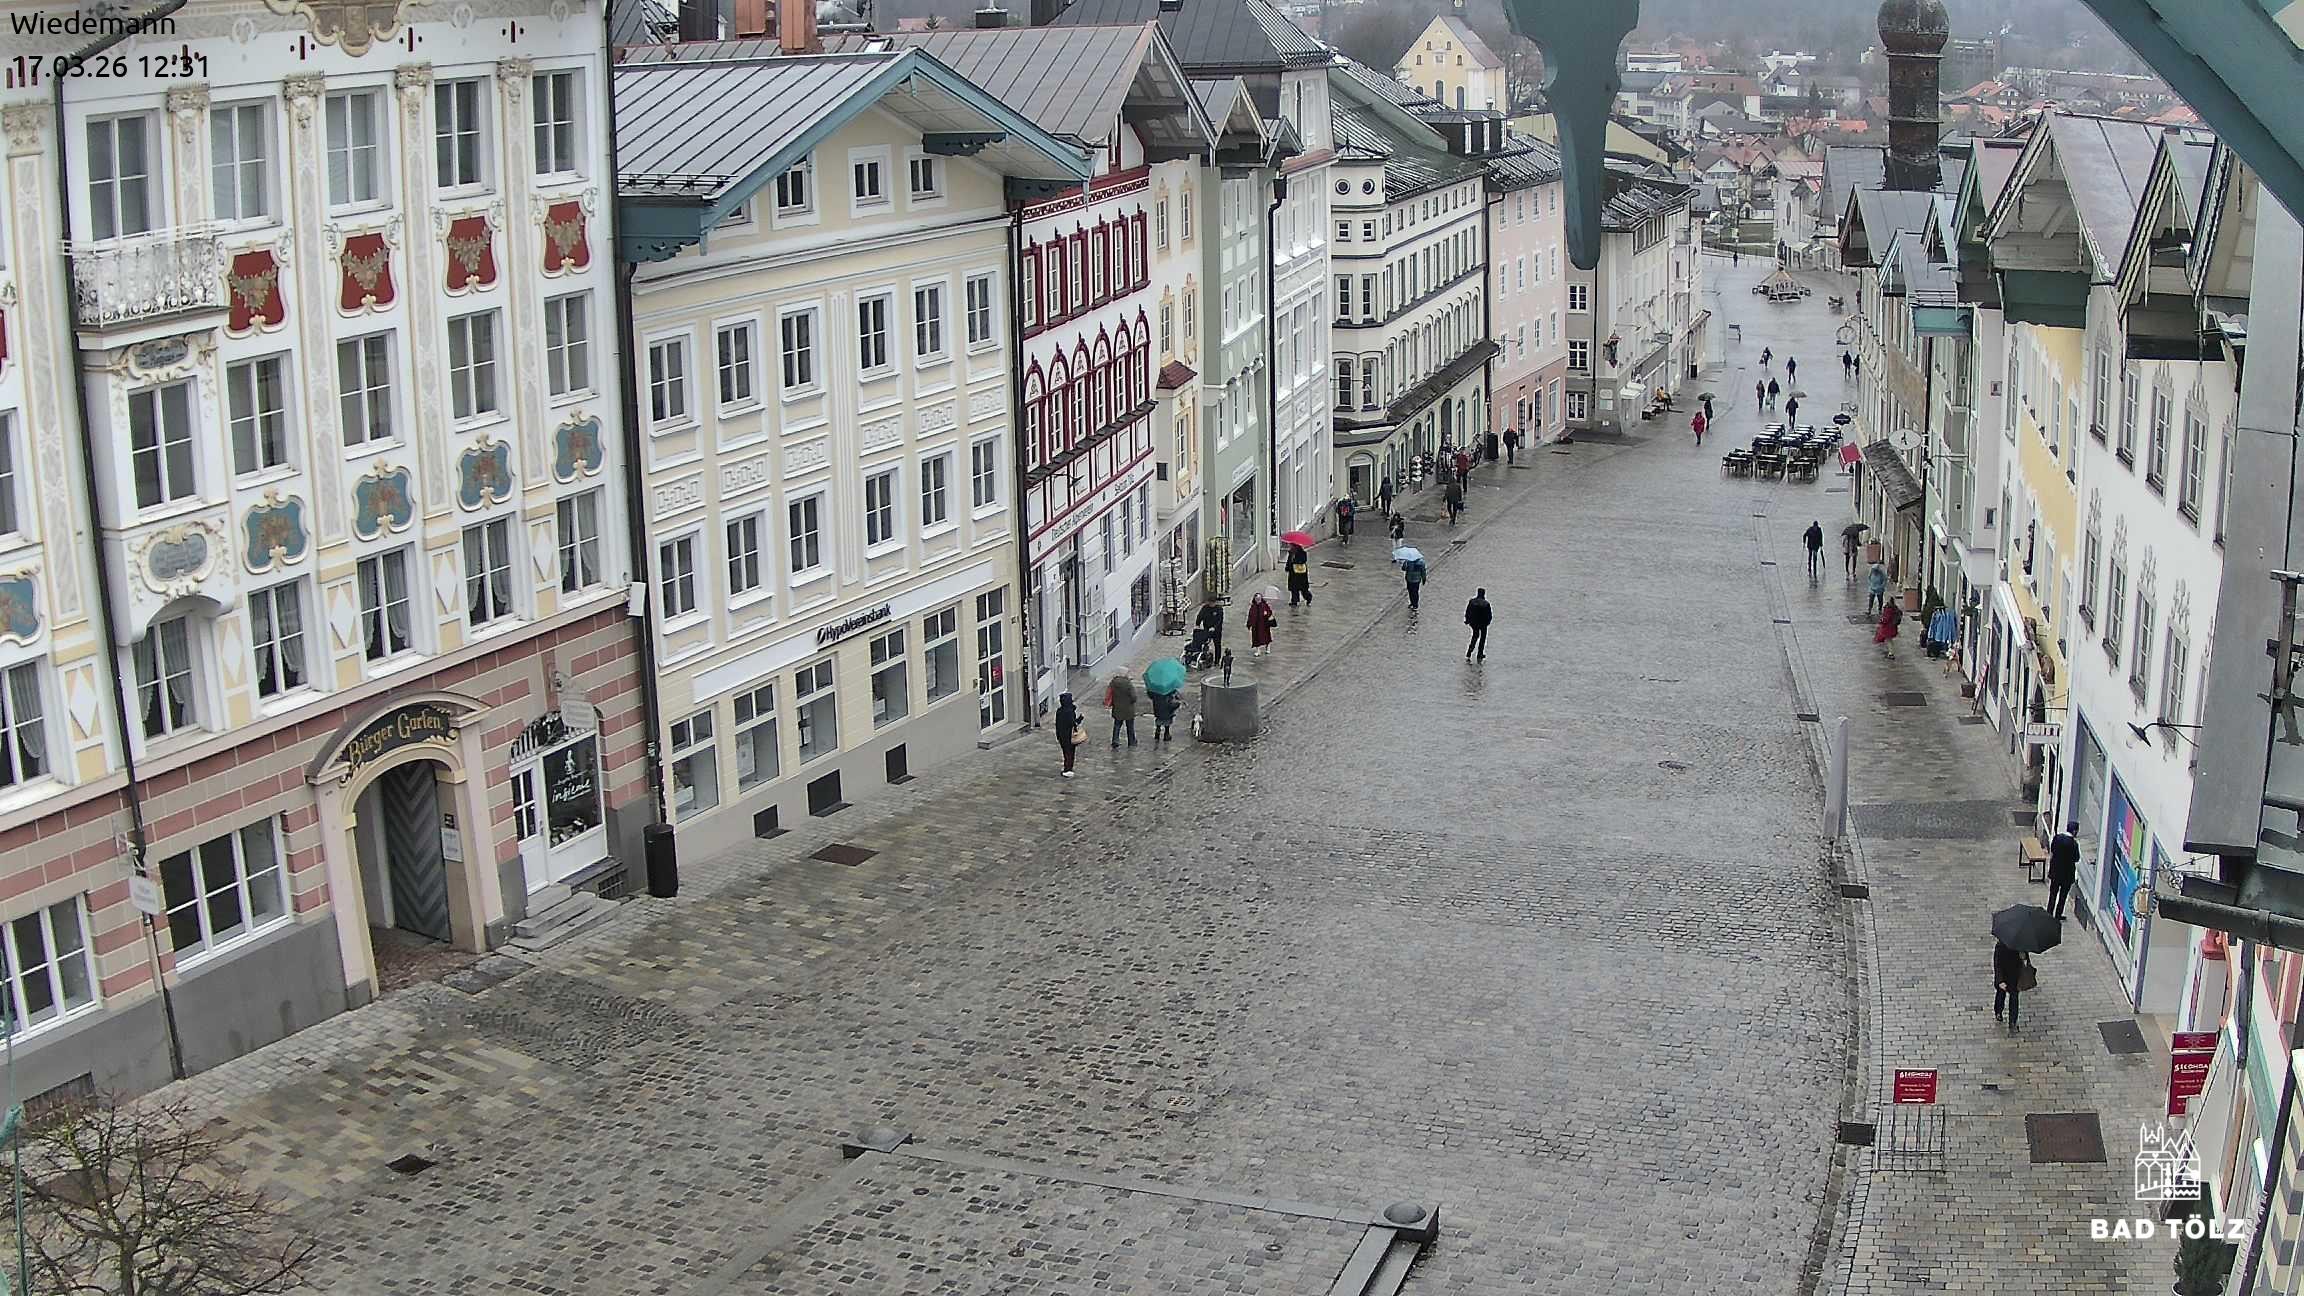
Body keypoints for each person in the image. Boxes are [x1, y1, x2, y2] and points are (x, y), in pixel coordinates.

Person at [1993, 939, 2030, 1032]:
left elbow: (2025, 960)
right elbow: (1998, 965)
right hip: (2004, 976)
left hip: (2015, 977)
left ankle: (2013, 1021)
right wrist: (2000, 980)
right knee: (2001, 995)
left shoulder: (2021, 945)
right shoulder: (2000, 946)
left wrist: (2024, 957)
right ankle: (1998, 1011)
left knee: (2014, 998)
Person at [2047, 822, 2082, 918]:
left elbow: (2053, 849)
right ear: (2074, 831)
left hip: (2055, 872)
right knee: (2063, 896)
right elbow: (2076, 858)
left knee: (2053, 894)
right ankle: (2058, 914)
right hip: (2067, 875)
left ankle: (2049, 912)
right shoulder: (2074, 844)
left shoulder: (2057, 838)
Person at [1106, 674, 1138, 748]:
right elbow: (1134, 697)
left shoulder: (1113, 683)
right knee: (1130, 726)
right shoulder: (1128, 684)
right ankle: (1131, 741)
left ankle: (1115, 740)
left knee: (1117, 725)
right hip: (1128, 709)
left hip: (1117, 708)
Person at [1054, 692, 1082, 778]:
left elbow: (1057, 724)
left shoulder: (1060, 711)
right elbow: (1073, 723)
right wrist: (1080, 719)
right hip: (1069, 735)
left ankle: (1067, 768)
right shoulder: (1069, 711)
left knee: (1066, 753)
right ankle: (1068, 769)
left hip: (1062, 736)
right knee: (1070, 753)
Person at [1464, 587, 1492, 661]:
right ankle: (1480, 654)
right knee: (1482, 638)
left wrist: (1467, 620)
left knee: (1475, 636)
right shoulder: (1486, 604)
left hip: (1474, 623)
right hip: (1483, 624)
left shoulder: (1472, 602)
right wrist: (1488, 622)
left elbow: (1468, 612)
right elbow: (1489, 615)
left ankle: (1469, 652)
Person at [1247, 591, 1276, 656]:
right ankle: (1258, 650)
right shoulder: (1253, 607)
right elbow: (1250, 616)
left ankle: (1267, 648)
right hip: (1256, 626)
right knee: (1256, 638)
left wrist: (1267, 614)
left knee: (1266, 637)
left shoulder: (1264, 605)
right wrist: (1249, 624)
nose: (1258, 600)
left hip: (1264, 625)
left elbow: (1270, 612)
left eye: (1259, 599)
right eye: (1256, 599)